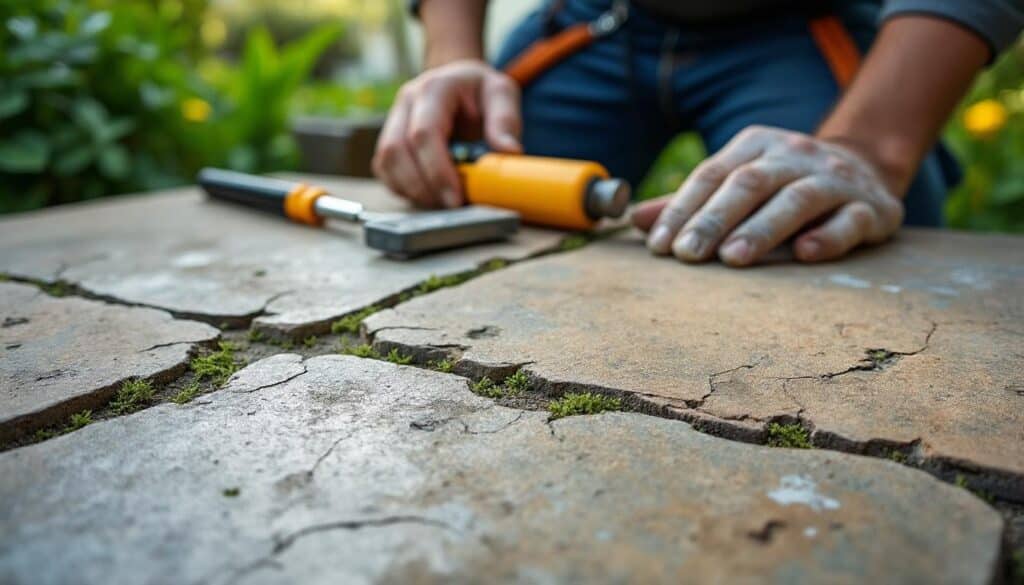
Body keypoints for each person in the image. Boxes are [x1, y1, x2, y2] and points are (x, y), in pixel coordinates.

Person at [372, 0, 1024, 266]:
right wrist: (452, 56)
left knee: (837, 225)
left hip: (801, 20)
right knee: (461, 174)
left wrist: (871, 147)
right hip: (603, 18)